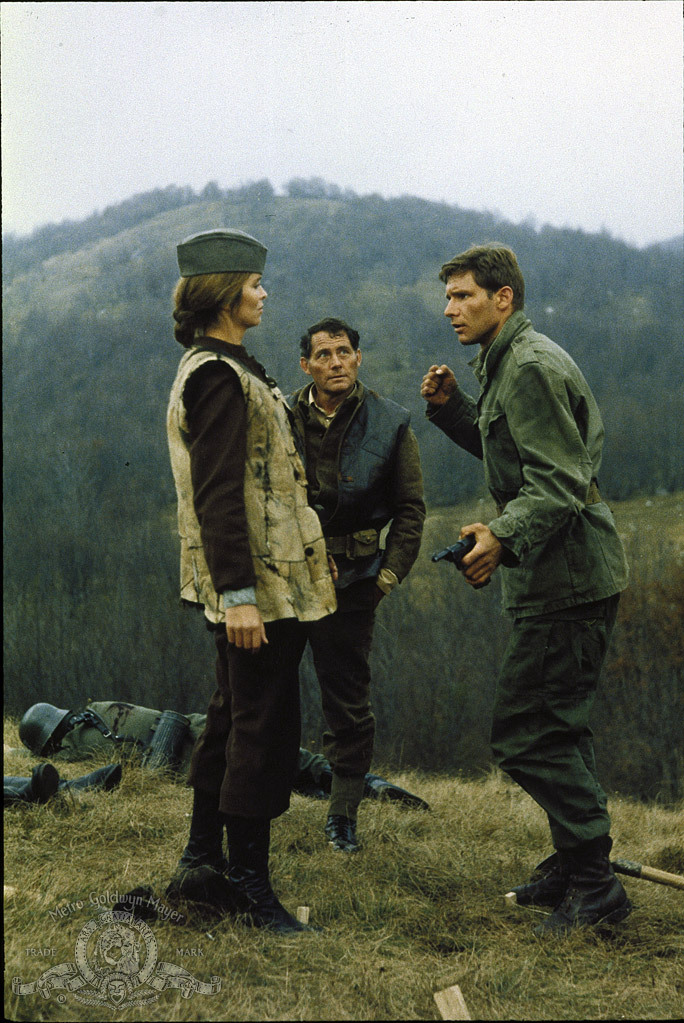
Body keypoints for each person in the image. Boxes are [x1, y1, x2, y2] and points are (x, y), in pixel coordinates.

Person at [420, 244, 631, 935]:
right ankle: (578, 863)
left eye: (464, 295)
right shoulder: (509, 362)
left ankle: (596, 886)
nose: (451, 308)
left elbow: (561, 482)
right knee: (556, 725)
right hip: (561, 575)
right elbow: (520, 456)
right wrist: (456, 413)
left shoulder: (530, 366)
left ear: (502, 298)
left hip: (567, 579)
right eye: (448, 296)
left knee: (524, 732)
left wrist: (504, 537)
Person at [166, 229, 337, 934]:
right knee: (261, 728)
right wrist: (237, 596)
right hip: (256, 591)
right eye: (256, 284)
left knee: (232, 718)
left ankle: (203, 863)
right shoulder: (215, 375)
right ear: (226, 292)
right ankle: (247, 885)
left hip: (268, 583)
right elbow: (216, 496)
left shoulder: (232, 364)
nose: (265, 293)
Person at [288, 318, 426, 852]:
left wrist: (387, 576)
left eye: (344, 352)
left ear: (359, 357)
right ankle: (257, 799)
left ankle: (342, 816)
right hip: (287, 577)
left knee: (346, 701)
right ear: (307, 365)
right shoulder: (281, 417)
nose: (335, 362)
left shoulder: (391, 423)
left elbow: (411, 510)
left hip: (354, 584)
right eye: (323, 354)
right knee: (268, 692)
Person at [16, 700, 430, 809]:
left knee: (262, 779)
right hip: (194, 726)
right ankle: (365, 785)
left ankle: (326, 794)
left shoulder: (73, 749)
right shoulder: (99, 707)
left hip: (180, 759)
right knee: (283, 756)